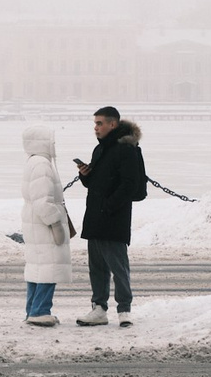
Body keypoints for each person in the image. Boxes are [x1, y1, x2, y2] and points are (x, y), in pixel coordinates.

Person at [74, 105, 145, 328]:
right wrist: (86, 176)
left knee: (118, 266)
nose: (95, 128)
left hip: (113, 217)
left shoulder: (126, 149)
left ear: (112, 124)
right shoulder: (101, 149)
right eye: (95, 123)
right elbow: (98, 182)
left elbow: (129, 184)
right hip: (96, 215)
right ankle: (99, 308)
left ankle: (124, 309)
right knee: (97, 267)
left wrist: (108, 206)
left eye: (99, 123)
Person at [17, 125, 73, 327]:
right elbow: (43, 201)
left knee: (38, 269)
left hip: (34, 223)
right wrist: (55, 222)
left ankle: (33, 309)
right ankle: (40, 310)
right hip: (43, 225)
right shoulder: (42, 165)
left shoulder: (33, 162)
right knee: (49, 268)